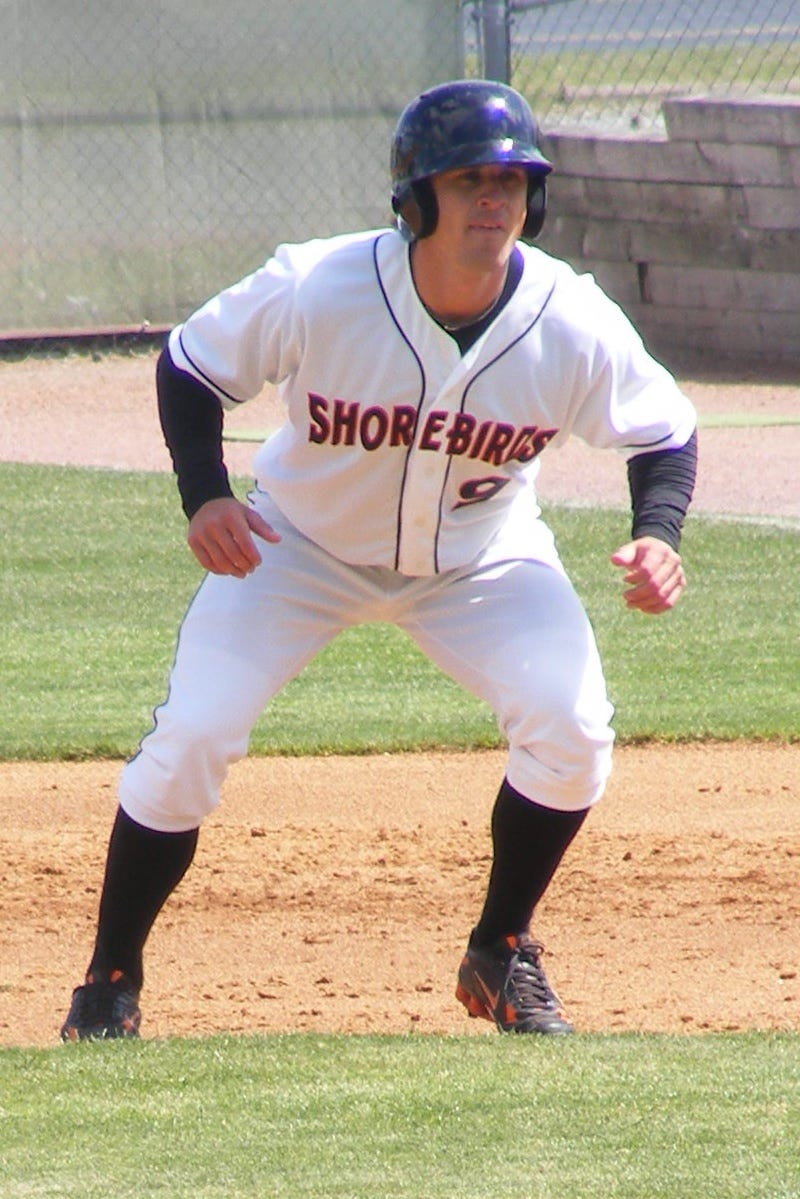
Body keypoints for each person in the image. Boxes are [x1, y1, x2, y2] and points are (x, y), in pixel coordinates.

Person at [60, 78, 697, 1041]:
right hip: (298, 550)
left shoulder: (571, 317)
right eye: (470, 178)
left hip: (482, 560)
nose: (496, 199)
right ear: (416, 197)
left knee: (571, 731)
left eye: (513, 179)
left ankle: (501, 950)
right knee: (191, 737)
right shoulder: (321, 285)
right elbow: (191, 365)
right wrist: (206, 495)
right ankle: (109, 979)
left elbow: (664, 431)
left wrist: (660, 533)